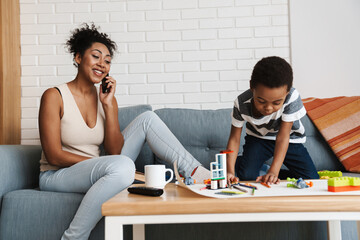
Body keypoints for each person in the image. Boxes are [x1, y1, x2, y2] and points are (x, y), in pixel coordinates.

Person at [38, 23, 209, 240]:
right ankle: (73, 237)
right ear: (78, 57)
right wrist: (99, 165)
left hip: (100, 166)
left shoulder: (107, 99)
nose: (102, 64)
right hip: (57, 174)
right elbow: (54, 155)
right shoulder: (54, 96)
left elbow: (114, 149)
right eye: (96, 56)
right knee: (123, 167)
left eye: (108, 61)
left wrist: (108, 106)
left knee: (147, 119)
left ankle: (196, 172)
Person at [226, 56, 319, 186]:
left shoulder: (292, 97)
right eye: (261, 101)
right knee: (247, 176)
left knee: (313, 179)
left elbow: (283, 136)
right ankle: (246, 163)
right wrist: (230, 171)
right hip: (258, 139)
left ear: (286, 92)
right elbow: (234, 139)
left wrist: (274, 171)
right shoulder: (241, 103)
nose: (268, 108)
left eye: (276, 102)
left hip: (289, 140)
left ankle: (272, 172)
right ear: (252, 87)